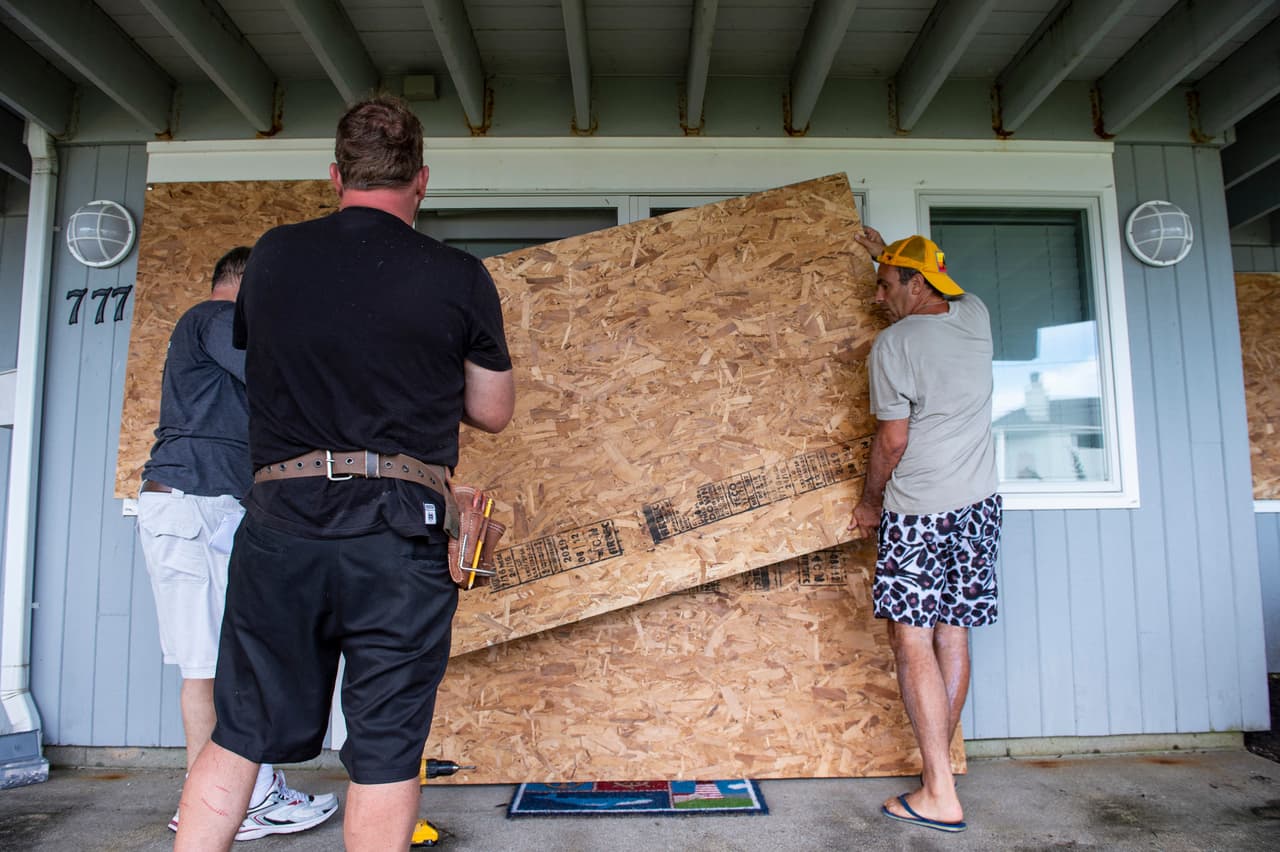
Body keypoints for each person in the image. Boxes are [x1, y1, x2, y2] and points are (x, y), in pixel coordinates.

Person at [176, 95, 515, 851]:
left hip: (281, 520)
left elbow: (268, 359)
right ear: (421, 181)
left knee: (239, 733)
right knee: (386, 749)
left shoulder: (272, 257)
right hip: (398, 530)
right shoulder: (457, 275)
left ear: (336, 176)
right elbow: (492, 411)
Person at [136, 246, 339, 840]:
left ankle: (245, 793)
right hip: (195, 507)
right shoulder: (217, 318)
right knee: (209, 666)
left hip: (204, 506)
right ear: (245, 285)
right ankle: (230, 801)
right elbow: (276, 379)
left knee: (223, 661)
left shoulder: (217, 333)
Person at [848, 228, 1001, 834]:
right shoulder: (977, 317)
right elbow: (939, 281)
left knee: (911, 642)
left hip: (918, 512)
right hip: (979, 506)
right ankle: (938, 776)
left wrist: (868, 501)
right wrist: (885, 253)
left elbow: (892, 441)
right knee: (953, 638)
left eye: (885, 285)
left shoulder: (894, 345)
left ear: (915, 284)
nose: (879, 296)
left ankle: (939, 792)